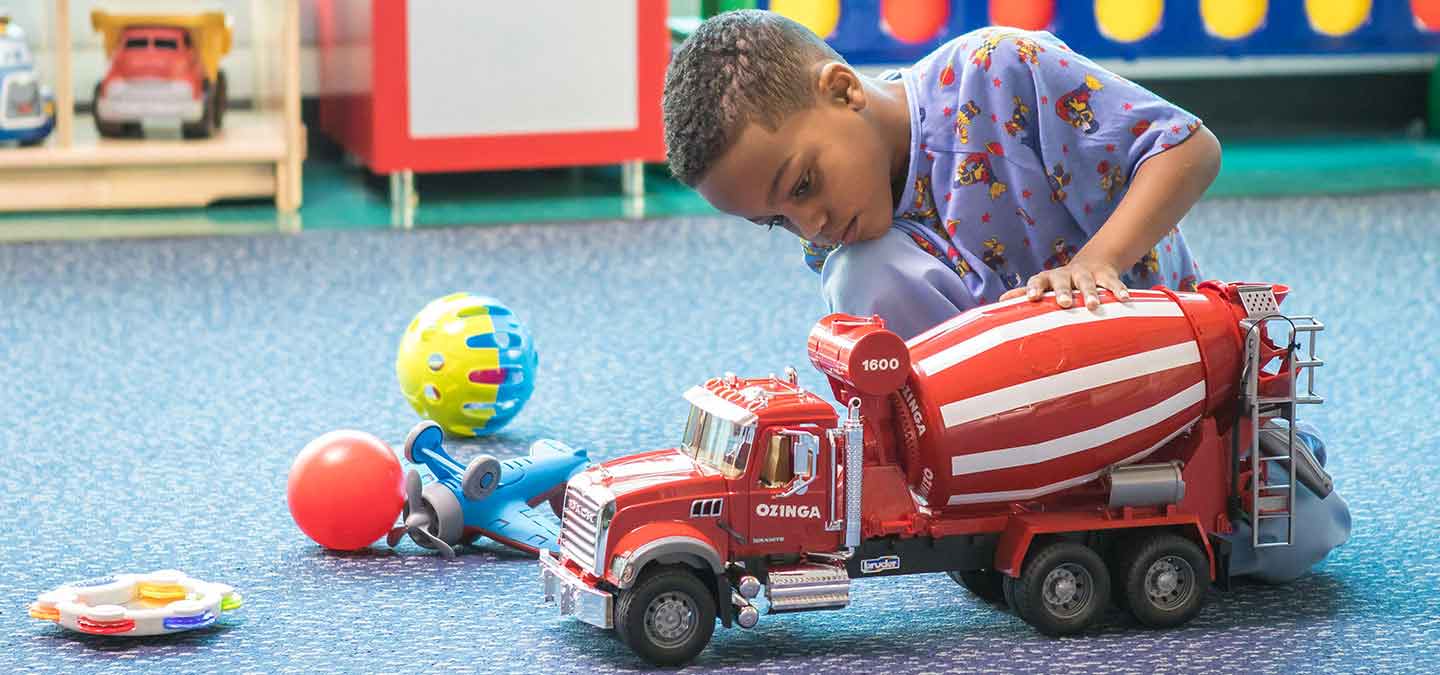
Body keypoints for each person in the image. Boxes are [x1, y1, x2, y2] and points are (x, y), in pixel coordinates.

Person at [661, 9, 1346, 583]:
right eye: (775, 220)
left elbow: (1189, 148)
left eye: (804, 184)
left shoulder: (998, 70)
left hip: (1156, 389)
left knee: (1304, 532)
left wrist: (1096, 262)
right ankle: (997, 505)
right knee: (857, 277)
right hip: (1019, 439)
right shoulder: (841, 243)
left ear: (842, 89)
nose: (807, 224)